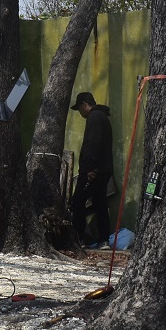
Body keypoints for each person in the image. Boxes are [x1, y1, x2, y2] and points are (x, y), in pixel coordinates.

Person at [69, 91, 114, 248]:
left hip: (93, 171)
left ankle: (79, 239)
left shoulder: (94, 117)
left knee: (77, 201)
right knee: (100, 202)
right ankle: (103, 240)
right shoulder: (102, 116)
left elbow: (94, 144)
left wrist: (90, 169)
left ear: (84, 105)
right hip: (103, 169)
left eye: (79, 109)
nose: (80, 113)